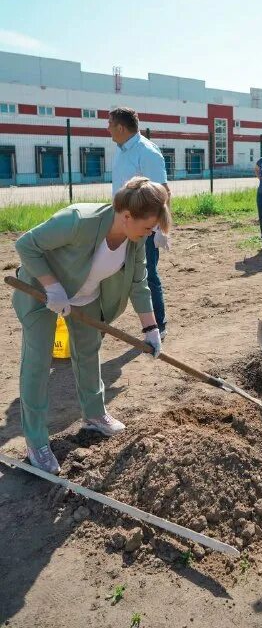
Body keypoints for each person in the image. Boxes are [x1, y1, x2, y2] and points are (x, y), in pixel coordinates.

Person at [13, 177, 171, 474]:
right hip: (40, 289)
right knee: (37, 362)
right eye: (148, 227)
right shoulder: (78, 220)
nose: (150, 233)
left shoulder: (135, 241)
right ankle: (36, 441)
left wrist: (150, 329)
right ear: (126, 217)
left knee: (88, 352)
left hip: (85, 295)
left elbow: (139, 283)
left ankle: (94, 415)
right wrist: (53, 287)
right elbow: (26, 245)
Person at [108, 107, 170, 338]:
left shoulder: (147, 152)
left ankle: (158, 326)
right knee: (113, 271)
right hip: (120, 223)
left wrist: (161, 229)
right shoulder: (121, 151)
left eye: (110, 124)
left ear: (121, 127)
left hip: (144, 228)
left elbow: (163, 191)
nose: (108, 129)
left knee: (147, 276)